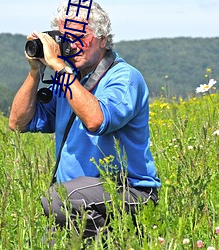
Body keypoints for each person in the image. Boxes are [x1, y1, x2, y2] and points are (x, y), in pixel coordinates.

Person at [9, 0, 161, 244]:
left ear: (103, 39)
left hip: (129, 192)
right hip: (79, 199)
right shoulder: (68, 80)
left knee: (57, 200)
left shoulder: (124, 77)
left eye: (80, 35)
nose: (70, 44)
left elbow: (96, 120)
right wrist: (35, 70)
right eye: (64, 36)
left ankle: (116, 241)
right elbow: (18, 123)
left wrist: (59, 67)